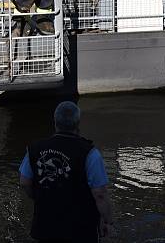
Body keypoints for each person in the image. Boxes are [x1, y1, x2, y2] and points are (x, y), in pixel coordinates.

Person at [19, 101, 114, 242]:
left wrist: (39, 197)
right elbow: (100, 194)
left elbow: (25, 182)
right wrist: (108, 221)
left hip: (45, 226)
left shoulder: (35, 149)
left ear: (55, 121)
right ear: (78, 123)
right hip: (80, 229)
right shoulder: (89, 153)